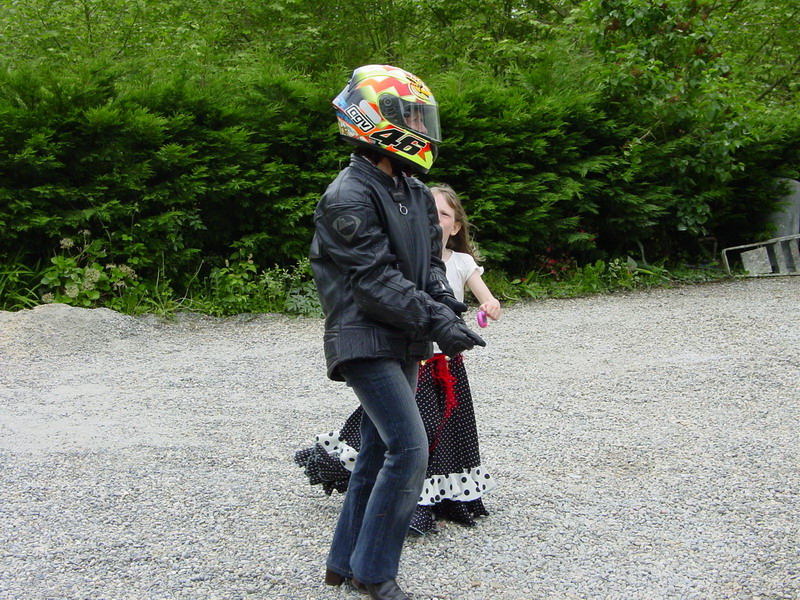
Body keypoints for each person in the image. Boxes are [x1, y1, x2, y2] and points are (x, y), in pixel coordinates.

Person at [309, 65, 485, 600]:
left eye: (421, 118)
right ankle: (374, 573)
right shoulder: (347, 196)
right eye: (412, 117)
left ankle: (343, 563)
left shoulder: (414, 189)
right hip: (362, 336)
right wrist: (437, 321)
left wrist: (447, 307)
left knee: (376, 451)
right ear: (373, 118)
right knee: (409, 449)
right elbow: (374, 281)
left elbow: (430, 267)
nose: (421, 128)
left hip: (404, 336)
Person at [295, 183, 501, 535]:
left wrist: (490, 305)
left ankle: (439, 497)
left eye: (442, 214)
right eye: (428, 211)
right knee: (407, 433)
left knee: (442, 431)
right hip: (412, 357)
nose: (433, 220)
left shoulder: (461, 262)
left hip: (446, 363)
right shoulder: (405, 259)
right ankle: (403, 501)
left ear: (455, 227)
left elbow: (486, 297)